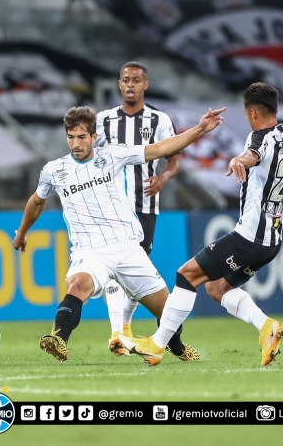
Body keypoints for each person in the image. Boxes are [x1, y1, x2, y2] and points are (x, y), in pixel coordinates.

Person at [113, 82, 283, 366]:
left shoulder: (259, 137)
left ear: (252, 113)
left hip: (250, 237)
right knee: (216, 288)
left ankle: (157, 346)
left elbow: (252, 154)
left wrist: (238, 160)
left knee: (186, 274)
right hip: (272, 240)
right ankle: (267, 327)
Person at [12, 105, 226, 362]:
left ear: (93, 136)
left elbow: (161, 149)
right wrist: (22, 233)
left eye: (81, 137)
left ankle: (177, 346)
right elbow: (37, 202)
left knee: (168, 310)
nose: (76, 143)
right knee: (78, 284)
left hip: (126, 247)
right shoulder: (54, 170)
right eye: (70, 137)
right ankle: (58, 338)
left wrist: (201, 128)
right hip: (89, 251)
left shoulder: (113, 155)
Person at [95, 61, 191, 360]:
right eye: (126, 80)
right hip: (110, 207)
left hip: (144, 204)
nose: (131, 85)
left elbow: (174, 158)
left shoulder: (159, 120)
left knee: (137, 271)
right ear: (119, 84)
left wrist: (163, 177)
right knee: (114, 267)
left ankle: (123, 326)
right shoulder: (103, 120)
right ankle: (118, 332)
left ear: (145, 85)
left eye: (136, 80)